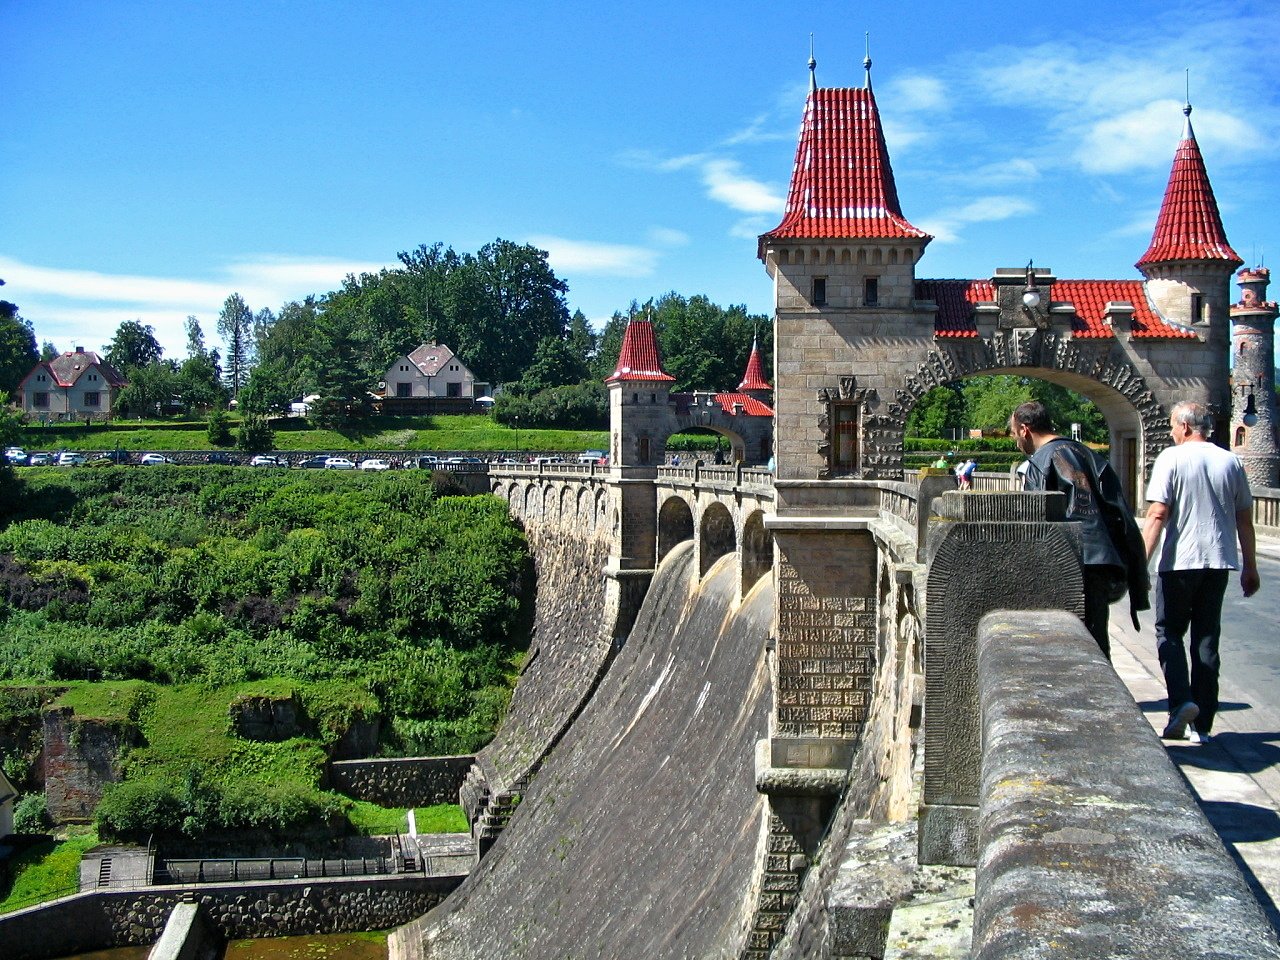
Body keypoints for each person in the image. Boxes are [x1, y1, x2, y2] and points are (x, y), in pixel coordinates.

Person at [1142, 401, 1260, 743]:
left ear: (1184, 426)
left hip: (1180, 562)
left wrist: (1141, 563)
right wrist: (1250, 566)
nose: (1171, 432)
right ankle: (1203, 725)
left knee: (1169, 633)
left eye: (1172, 426)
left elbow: (1157, 514)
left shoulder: (1171, 459)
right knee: (1207, 639)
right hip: (1218, 562)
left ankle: (1182, 703)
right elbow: (1244, 519)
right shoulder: (1231, 461)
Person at [1009, 401, 1149, 657]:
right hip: (1102, 561)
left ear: (1024, 430)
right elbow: (1123, 516)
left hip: (1065, 561)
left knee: (1070, 644)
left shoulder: (1039, 463)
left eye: (1014, 433)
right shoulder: (1093, 457)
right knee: (1097, 641)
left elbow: (1034, 523)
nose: (1015, 441)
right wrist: (1138, 578)